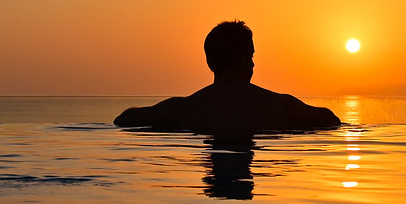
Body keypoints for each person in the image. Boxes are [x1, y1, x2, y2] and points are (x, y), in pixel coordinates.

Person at [114, 20, 341, 132]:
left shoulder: (183, 109)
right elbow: (331, 120)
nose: (253, 64)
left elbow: (123, 121)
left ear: (209, 61)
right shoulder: (279, 106)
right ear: (244, 59)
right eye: (251, 55)